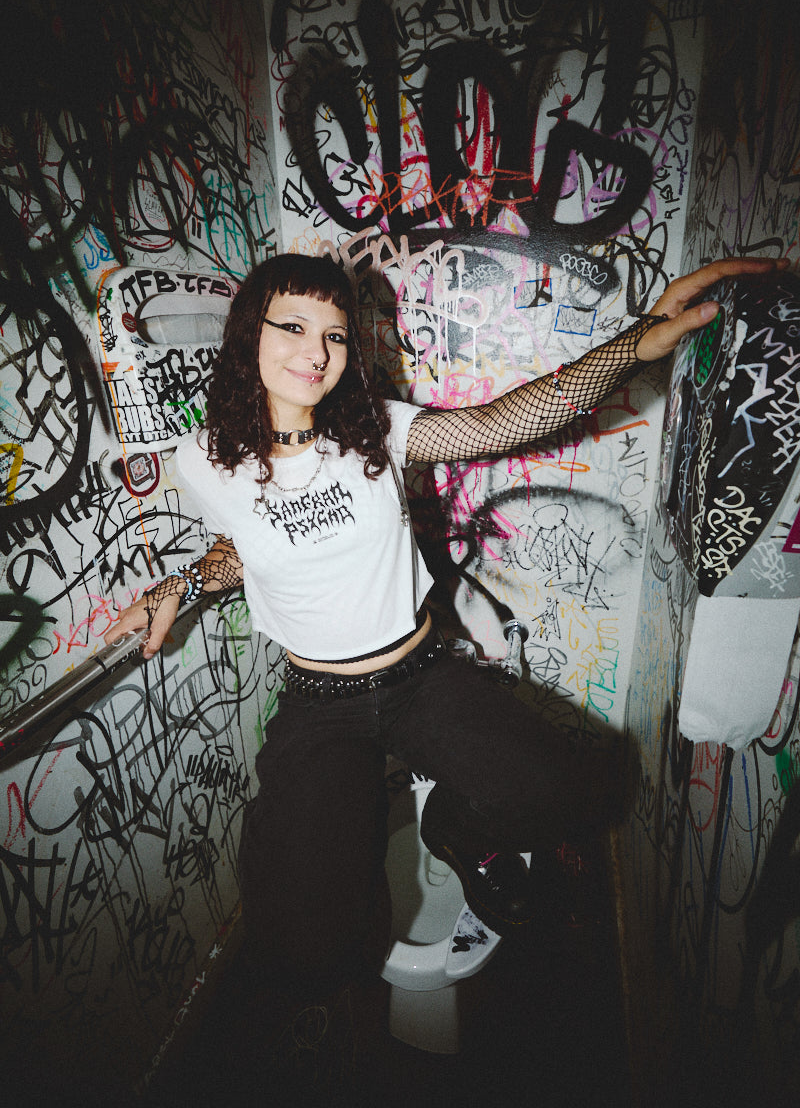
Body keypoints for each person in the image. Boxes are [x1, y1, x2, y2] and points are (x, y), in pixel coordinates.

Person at [104, 251, 785, 996]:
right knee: (307, 939)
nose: (316, 350)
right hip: (319, 703)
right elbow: (246, 542)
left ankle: (459, 829)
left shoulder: (375, 431)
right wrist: (184, 580)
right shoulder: (203, 461)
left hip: (420, 675)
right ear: (249, 336)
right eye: (294, 326)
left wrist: (638, 340)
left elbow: (504, 422)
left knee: (572, 790)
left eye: (335, 335)